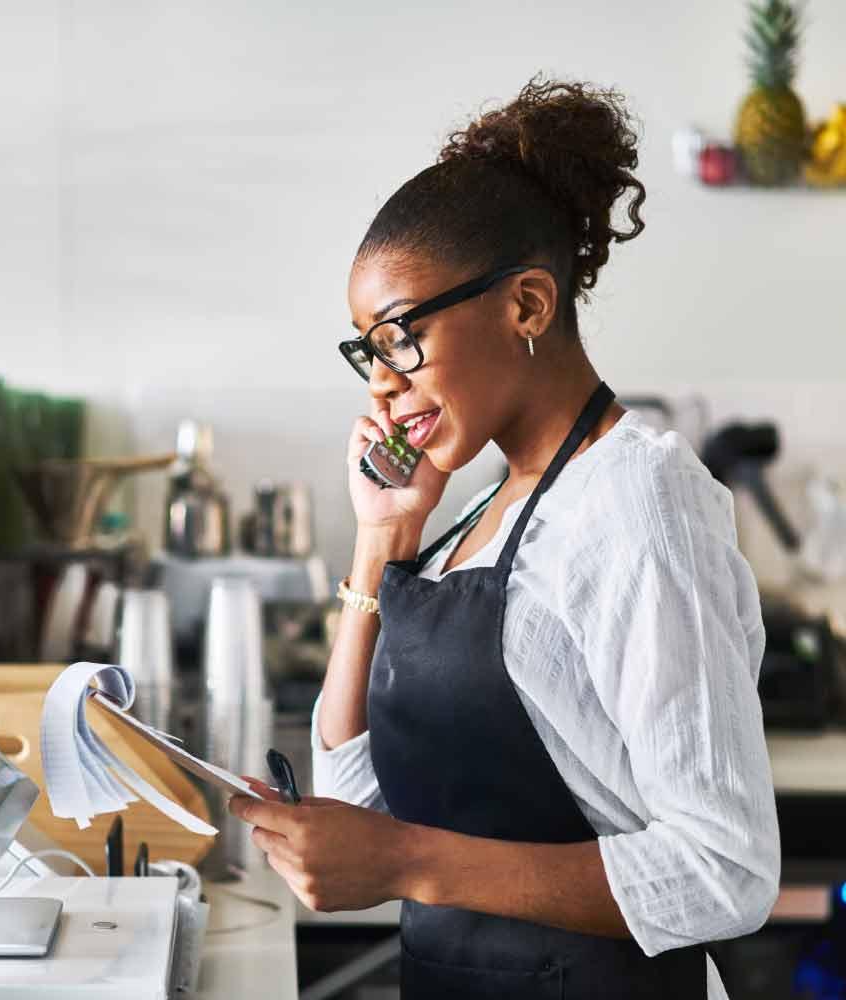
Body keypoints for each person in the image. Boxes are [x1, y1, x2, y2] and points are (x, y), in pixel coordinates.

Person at [229, 76, 780, 999]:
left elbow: (726, 869)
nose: (382, 384)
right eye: (368, 351)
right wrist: (384, 537)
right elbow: (354, 793)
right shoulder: (473, 514)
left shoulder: (640, 498)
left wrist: (409, 863)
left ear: (527, 305)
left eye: (400, 337)